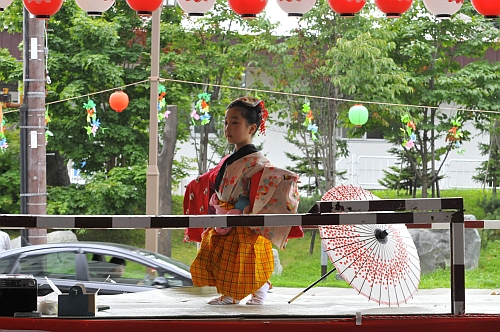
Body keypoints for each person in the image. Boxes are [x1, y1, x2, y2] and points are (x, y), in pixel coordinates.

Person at [185, 96, 303, 305]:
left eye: (235, 122)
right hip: (226, 215)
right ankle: (230, 294)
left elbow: (259, 192)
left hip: (243, 218)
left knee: (244, 260)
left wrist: (240, 208)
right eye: (226, 122)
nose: (227, 128)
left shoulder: (258, 162)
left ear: (252, 128)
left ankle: (259, 291)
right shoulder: (233, 158)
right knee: (224, 257)